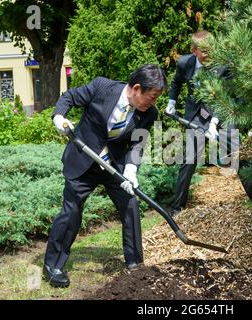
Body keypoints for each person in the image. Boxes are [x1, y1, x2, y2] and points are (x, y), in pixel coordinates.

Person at [43, 64, 168, 288]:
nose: (154, 102)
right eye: (152, 96)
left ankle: (135, 265)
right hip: (83, 159)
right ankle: (54, 265)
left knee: (130, 206)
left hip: (114, 166)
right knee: (72, 210)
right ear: (137, 88)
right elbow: (69, 97)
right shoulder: (102, 87)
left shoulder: (149, 113)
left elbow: (137, 145)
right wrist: (59, 117)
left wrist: (130, 170)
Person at [165, 31, 252, 216]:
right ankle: (178, 208)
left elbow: (226, 97)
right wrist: (171, 102)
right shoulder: (184, 63)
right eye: (205, 51)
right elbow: (176, 83)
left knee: (237, 155)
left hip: (222, 113)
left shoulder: (223, 66)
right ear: (194, 51)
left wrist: (214, 123)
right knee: (189, 159)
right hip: (197, 114)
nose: (210, 53)